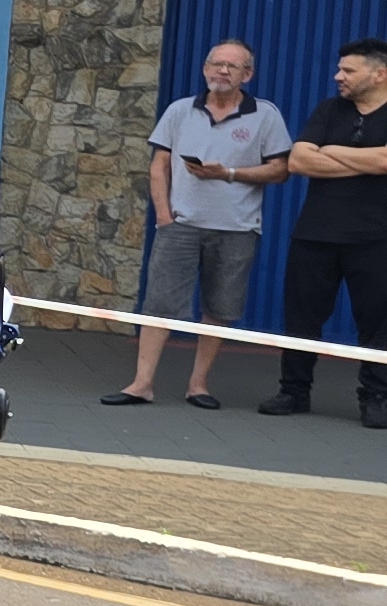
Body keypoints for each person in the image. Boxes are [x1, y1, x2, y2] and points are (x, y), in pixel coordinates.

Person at [109, 39, 289, 408]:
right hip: (180, 226)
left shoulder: (266, 115)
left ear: (247, 75)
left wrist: (229, 173)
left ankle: (198, 385)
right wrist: (163, 215)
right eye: (216, 64)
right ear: (205, 69)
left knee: (219, 308)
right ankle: (141, 384)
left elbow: (280, 169)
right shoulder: (179, 111)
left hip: (237, 228)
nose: (222, 71)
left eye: (232, 66)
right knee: (158, 303)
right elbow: (159, 165)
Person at [267, 36, 387, 424]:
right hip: (315, 234)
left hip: (376, 237)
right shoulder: (329, 110)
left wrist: (331, 151)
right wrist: (368, 160)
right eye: (340, 69)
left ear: (379, 74)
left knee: (379, 322)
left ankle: (376, 398)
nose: (339, 76)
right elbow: (299, 161)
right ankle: (294, 392)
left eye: (348, 70)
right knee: (301, 318)